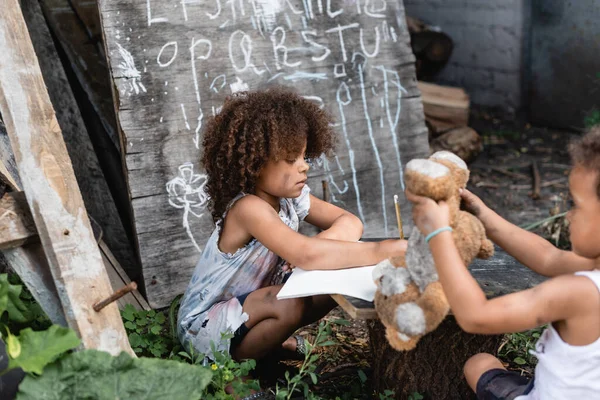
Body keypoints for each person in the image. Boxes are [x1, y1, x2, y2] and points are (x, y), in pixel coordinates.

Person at [177, 87, 407, 364]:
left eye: (304, 157)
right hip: (202, 328)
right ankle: (236, 377)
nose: (304, 167)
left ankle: (265, 346)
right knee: (290, 302)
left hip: (246, 311)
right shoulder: (248, 208)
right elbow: (305, 255)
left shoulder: (290, 200)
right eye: (291, 159)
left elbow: (350, 222)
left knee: (331, 286)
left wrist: (323, 247)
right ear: (255, 164)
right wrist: (384, 249)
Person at [406, 126, 600, 399]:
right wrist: (483, 214)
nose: (568, 216)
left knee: (477, 364)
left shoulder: (581, 293)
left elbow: (477, 317)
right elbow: (548, 257)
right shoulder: (593, 268)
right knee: (480, 365)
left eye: (577, 205)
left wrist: (439, 234)